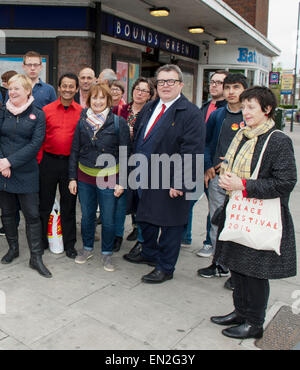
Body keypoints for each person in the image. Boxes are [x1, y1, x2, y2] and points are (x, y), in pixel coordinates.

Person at [210, 86, 297, 339]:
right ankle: (240, 311)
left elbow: (285, 182)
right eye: (244, 107)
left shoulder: (278, 140)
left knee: (255, 273)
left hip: (259, 215)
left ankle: (255, 322)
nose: (245, 112)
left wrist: (244, 185)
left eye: (251, 107)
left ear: (267, 110)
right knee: (237, 267)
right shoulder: (245, 135)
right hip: (238, 210)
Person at [123, 64, 205, 284]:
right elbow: (139, 139)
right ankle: (149, 253)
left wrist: (180, 182)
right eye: (161, 82)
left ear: (180, 84)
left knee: (170, 225)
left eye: (171, 81)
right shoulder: (150, 107)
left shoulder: (191, 113)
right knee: (146, 218)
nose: (165, 86)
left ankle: (165, 267)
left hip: (170, 180)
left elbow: (192, 150)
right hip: (143, 175)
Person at [68, 83, 131, 272]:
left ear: (108, 100)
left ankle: (106, 253)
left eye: (101, 98)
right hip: (85, 176)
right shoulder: (82, 121)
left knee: (108, 218)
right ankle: (87, 249)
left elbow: (125, 154)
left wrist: (122, 181)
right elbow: (74, 151)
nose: (97, 101)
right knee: (87, 216)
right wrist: (72, 178)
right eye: (94, 98)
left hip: (109, 178)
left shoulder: (119, 123)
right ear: (89, 100)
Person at [197, 73, 248, 283]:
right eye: (227, 87)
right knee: (217, 221)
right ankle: (219, 263)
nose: (231, 92)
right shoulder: (218, 115)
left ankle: (239, 271)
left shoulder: (250, 115)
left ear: (245, 90)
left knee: (239, 224)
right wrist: (208, 166)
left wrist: (228, 162)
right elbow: (205, 142)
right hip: (218, 179)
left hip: (242, 182)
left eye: (236, 87)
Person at [0, 74, 52, 278]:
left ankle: (36, 257)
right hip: (3, 172)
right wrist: (2, 162)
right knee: (7, 213)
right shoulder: (3, 112)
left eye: (17, 89)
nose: (12, 92)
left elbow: (35, 144)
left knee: (32, 215)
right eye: (10, 89)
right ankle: (13, 249)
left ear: (28, 91)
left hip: (26, 172)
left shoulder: (38, 115)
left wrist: (9, 162)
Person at [182, 70, 228, 253]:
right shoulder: (204, 107)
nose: (214, 85)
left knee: (215, 207)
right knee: (186, 201)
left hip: (215, 169)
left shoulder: (227, 111)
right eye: (212, 81)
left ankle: (210, 242)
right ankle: (184, 236)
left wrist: (210, 165)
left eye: (219, 82)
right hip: (197, 165)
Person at [38, 73, 82, 259]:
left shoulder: (81, 112)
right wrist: (39, 162)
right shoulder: (46, 110)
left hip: (70, 165)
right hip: (48, 162)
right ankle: (41, 240)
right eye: (64, 85)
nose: (67, 89)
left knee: (69, 204)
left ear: (77, 89)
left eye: (71, 86)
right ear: (58, 87)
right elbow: (39, 138)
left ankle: (69, 243)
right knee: (44, 203)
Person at [112, 77, 154, 253]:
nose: (140, 93)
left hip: (141, 161)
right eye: (137, 89)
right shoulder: (120, 109)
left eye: (144, 91)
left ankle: (140, 233)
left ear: (150, 95)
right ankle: (117, 235)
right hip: (119, 158)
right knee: (120, 199)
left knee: (140, 198)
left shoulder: (152, 113)